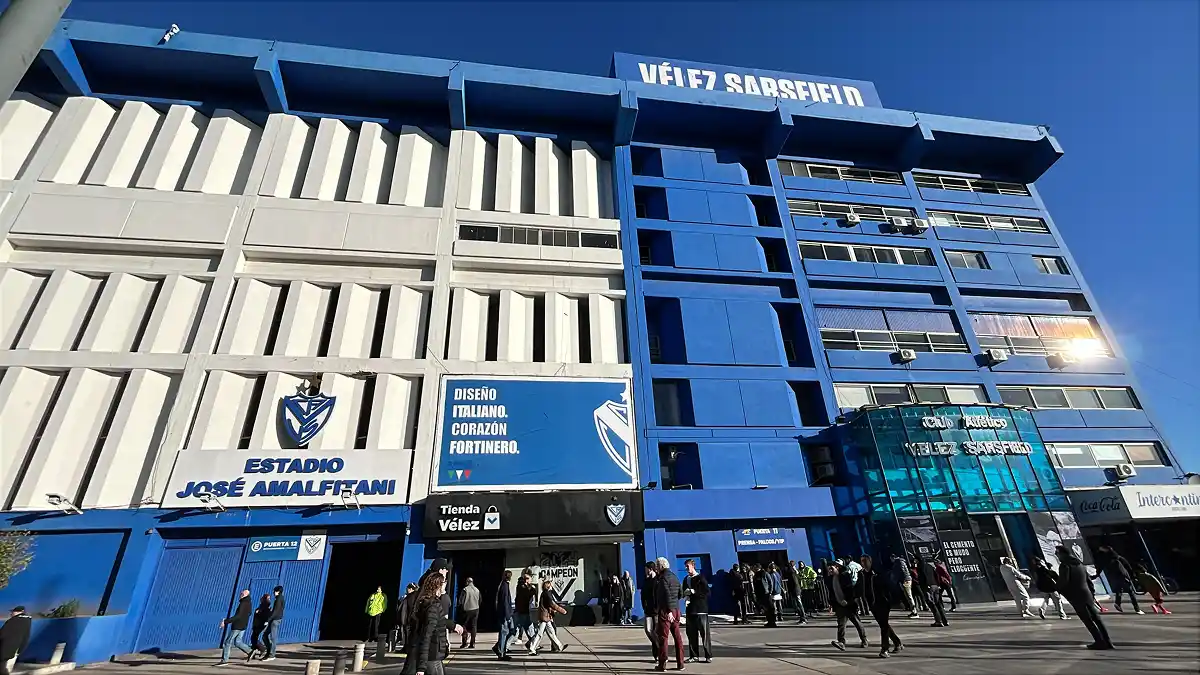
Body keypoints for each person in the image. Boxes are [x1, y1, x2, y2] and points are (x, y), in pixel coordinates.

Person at [1056, 545, 1113, 650]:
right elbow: (1088, 580)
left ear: (1062, 554)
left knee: (1087, 620)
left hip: (1076, 596)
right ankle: (1108, 641)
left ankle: (1099, 641)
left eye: (1057, 553)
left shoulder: (1065, 565)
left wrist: (1058, 589)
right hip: (1087, 595)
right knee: (1097, 619)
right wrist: (1092, 593)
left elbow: (1063, 583)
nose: (1056, 555)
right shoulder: (1079, 564)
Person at [407, 573, 463, 675]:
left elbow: (438, 620)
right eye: (444, 582)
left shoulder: (428, 602)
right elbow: (426, 635)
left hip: (434, 655)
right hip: (432, 656)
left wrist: (453, 625)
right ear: (438, 586)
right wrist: (421, 668)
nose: (445, 585)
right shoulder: (433, 606)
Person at [861, 556, 901, 658]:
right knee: (883, 625)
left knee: (884, 626)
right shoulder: (862, 574)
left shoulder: (877, 573)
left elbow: (888, 586)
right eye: (861, 561)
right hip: (872, 603)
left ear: (870, 561)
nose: (863, 563)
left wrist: (889, 599)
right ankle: (897, 642)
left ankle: (885, 649)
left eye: (865, 561)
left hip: (883, 602)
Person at [653, 557, 685, 672]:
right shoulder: (675, 577)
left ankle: (662, 664)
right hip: (676, 610)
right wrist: (674, 607)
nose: (656, 569)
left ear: (661, 567)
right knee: (677, 637)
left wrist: (669, 610)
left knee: (663, 638)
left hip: (666, 611)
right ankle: (680, 663)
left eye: (657, 566)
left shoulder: (663, 579)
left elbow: (665, 595)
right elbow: (680, 593)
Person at [827, 562, 867, 652]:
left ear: (837, 567)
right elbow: (831, 593)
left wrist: (848, 601)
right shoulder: (831, 579)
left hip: (849, 604)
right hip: (839, 604)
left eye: (832, 568)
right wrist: (831, 604)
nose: (830, 571)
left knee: (857, 622)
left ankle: (864, 639)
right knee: (841, 625)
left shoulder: (844, 576)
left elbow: (850, 590)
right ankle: (841, 642)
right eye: (829, 569)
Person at [1092, 546, 1143, 614]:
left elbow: (1099, 569)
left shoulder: (1104, 560)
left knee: (1119, 590)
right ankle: (1137, 609)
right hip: (1123, 576)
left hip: (1115, 577)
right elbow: (1128, 566)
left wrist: (1095, 576)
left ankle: (1117, 603)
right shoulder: (1118, 558)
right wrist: (1133, 576)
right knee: (1130, 592)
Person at [683, 559, 712, 664]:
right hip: (690, 610)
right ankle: (694, 656)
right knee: (691, 634)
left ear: (693, 566)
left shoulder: (700, 578)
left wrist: (694, 591)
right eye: (685, 566)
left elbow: (707, 592)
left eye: (688, 566)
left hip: (700, 610)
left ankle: (708, 655)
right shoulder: (686, 579)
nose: (686, 568)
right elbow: (683, 591)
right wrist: (685, 593)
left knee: (704, 634)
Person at [528, 579, 568, 655]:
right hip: (544, 617)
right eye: (550, 584)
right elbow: (552, 604)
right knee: (539, 634)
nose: (552, 586)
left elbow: (549, 605)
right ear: (548, 586)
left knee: (551, 632)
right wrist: (562, 611)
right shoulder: (547, 594)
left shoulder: (545, 593)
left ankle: (559, 646)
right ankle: (532, 649)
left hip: (546, 616)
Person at [217, 589, 254, 666]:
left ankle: (224, 660)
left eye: (242, 594)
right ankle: (250, 651)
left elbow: (238, 616)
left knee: (227, 642)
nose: (240, 595)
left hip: (238, 626)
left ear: (245, 595)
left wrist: (226, 621)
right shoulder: (249, 603)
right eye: (241, 593)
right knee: (238, 642)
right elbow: (249, 613)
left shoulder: (243, 603)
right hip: (243, 625)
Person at [915, 555, 947, 627]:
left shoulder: (920, 567)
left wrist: (927, 585)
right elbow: (936, 575)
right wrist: (938, 584)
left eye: (915, 560)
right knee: (938, 603)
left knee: (932, 604)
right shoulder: (930, 566)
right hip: (935, 585)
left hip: (928, 587)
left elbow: (923, 577)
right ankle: (945, 621)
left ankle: (938, 621)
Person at [0, 607, 32, 675]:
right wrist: (20, 650)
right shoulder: (27, 622)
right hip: (13, 649)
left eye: (12, 612)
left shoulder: (12, 621)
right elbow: (26, 637)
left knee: (2, 667)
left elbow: (2, 633)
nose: (11, 614)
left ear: (18, 612)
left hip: (4, 647)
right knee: (3, 666)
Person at [642, 562, 663, 660]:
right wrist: (644, 606)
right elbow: (643, 595)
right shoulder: (646, 581)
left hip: (657, 611)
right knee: (648, 630)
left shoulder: (658, 580)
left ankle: (657, 655)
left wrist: (659, 607)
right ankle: (659, 648)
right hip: (648, 610)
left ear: (650, 569)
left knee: (656, 631)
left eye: (646, 569)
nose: (645, 571)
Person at [492, 571, 515, 660]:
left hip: (506, 612)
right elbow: (505, 601)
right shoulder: (504, 586)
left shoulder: (504, 585)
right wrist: (507, 615)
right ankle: (501, 652)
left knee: (511, 631)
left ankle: (498, 647)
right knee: (504, 632)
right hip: (505, 613)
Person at [512, 571, 537, 651]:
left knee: (529, 628)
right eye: (529, 579)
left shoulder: (523, 587)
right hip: (522, 611)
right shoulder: (522, 587)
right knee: (515, 630)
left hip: (524, 611)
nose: (531, 580)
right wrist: (533, 589)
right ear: (526, 580)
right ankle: (503, 647)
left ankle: (533, 644)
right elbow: (528, 595)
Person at [890, 554, 918, 618]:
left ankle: (915, 612)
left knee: (909, 596)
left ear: (893, 558)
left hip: (905, 580)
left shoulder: (898, 562)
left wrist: (898, 579)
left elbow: (901, 572)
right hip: (906, 579)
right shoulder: (901, 562)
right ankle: (913, 611)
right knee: (908, 596)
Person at [457, 578, 480, 648]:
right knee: (474, 626)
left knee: (464, 626)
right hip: (476, 609)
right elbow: (480, 600)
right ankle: (472, 643)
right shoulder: (477, 590)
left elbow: (461, 601)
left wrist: (460, 609)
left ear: (467, 582)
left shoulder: (465, 590)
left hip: (467, 610)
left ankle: (464, 643)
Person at [263, 586, 285, 661]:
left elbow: (276, 611)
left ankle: (272, 655)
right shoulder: (281, 598)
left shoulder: (278, 599)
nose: (273, 592)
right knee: (265, 635)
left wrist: (268, 620)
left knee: (273, 637)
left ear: (277, 591)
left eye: (274, 591)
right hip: (276, 619)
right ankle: (269, 651)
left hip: (275, 620)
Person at [395, 583, 417, 651]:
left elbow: (409, 609)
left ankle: (407, 649)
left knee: (407, 635)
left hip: (408, 620)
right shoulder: (410, 596)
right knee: (406, 635)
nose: (406, 589)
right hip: (407, 620)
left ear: (411, 589)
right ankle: (406, 648)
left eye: (408, 588)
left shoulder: (411, 597)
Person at [249, 594, 271, 658]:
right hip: (257, 623)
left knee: (254, 638)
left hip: (260, 624)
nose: (269, 599)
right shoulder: (263, 605)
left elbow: (265, 615)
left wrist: (266, 622)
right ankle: (254, 651)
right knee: (254, 637)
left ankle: (262, 648)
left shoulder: (266, 606)